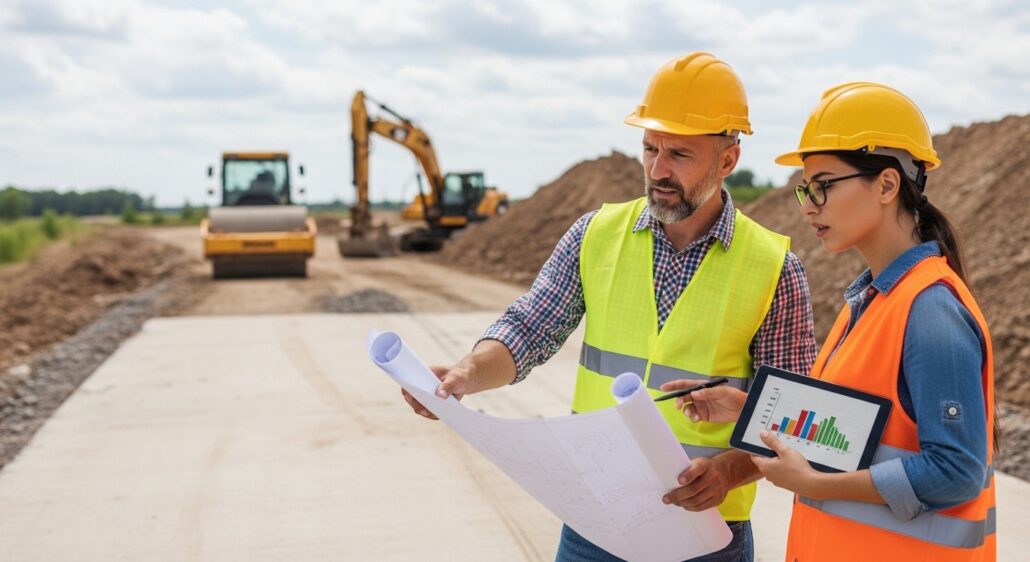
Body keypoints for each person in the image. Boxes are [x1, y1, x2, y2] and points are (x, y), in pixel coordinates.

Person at [401, 51, 817, 561]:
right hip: (595, 526)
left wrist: (730, 470)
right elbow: (530, 327)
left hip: (706, 533)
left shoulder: (774, 268)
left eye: (680, 155)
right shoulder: (594, 235)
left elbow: (792, 417)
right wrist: (465, 374)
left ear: (727, 160)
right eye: (649, 148)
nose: (658, 170)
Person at [678, 82, 997, 561]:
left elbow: (956, 470)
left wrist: (810, 481)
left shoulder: (930, 312)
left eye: (824, 186)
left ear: (887, 185)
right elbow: (854, 431)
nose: (808, 205)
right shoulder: (869, 299)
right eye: (806, 189)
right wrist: (746, 408)